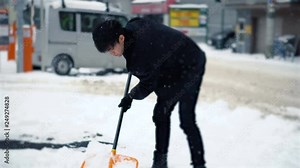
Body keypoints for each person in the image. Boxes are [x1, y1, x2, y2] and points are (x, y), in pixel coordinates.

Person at [92, 18, 207, 168]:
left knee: (186, 119)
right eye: (108, 51)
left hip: (190, 64)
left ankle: (199, 165)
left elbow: (148, 85)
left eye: (111, 48)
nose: (111, 53)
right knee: (161, 113)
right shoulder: (133, 27)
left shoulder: (141, 55)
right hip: (169, 66)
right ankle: (160, 161)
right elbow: (138, 23)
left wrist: (131, 96)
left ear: (121, 38)